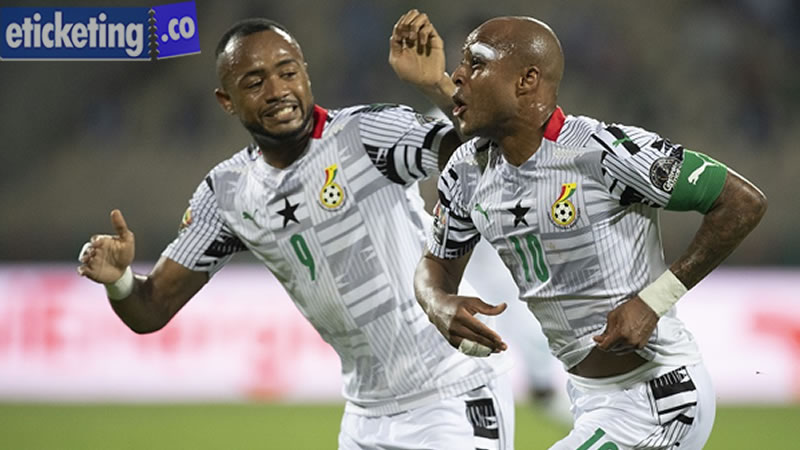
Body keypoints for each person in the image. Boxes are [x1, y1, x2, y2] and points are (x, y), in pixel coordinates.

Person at [77, 16, 515, 450]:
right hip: (365, 418)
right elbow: (152, 307)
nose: (277, 90)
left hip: (452, 394)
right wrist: (119, 280)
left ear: (305, 74)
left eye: (287, 72)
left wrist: (436, 86)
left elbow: (486, 157)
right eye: (254, 82)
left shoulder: (367, 134)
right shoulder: (228, 192)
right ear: (226, 100)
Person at [411, 15, 767, 449]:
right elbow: (436, 264)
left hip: (657, 397)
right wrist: (437, 302)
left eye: (477, 64)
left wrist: (654, 301)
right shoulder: (466, 170)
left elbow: (742, 202)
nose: (457, 75)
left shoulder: (604, 153)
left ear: (527, 80)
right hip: (587, 397)